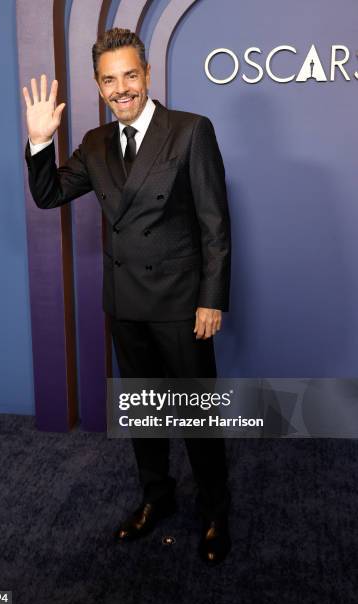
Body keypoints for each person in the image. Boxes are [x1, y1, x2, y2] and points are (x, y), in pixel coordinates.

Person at [23, 28, 232, 565]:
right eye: (109, 79)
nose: (121, 89)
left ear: (147, 75)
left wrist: (212, 299)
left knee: (196, 417)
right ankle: (155, 499)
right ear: (98, 85)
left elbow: (214, 224)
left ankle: (215, 511)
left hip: (182, 307)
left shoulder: (189, 131)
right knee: (144, 414)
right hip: (125, 304)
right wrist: (40, 141)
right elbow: (48, 196)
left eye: (130, 76)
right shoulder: (94, 144)